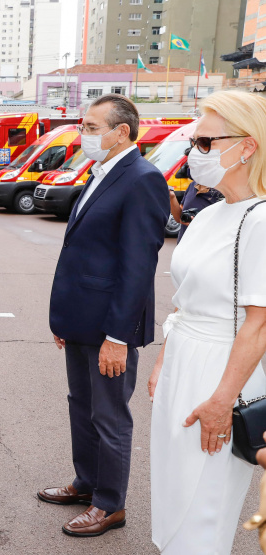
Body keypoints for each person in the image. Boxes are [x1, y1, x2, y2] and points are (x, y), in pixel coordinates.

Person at [41, 94, 170, 537]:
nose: (84, 134)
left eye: (93, 128)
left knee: (110, 417)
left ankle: (110, 504)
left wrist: (118, 335)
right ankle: (87, 483)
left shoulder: (142, 179)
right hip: (82, 320)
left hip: (110, 327)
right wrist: (65, 322)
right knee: (81, 407)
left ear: (122, 133)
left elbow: (138, 266)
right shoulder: (101, 173)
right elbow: (83, 254)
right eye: (84, 126)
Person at [148, 90, 266, 554]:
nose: (194, 155)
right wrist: (164, 361)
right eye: (192, 144)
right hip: (184, 363)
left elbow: (259, 324)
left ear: (248, 146)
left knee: (204, 504)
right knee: (174, 491)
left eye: (204, 143)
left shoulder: (260, 220)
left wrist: (222, 399)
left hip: (223, 371)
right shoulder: (211, 214)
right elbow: (184, 302)